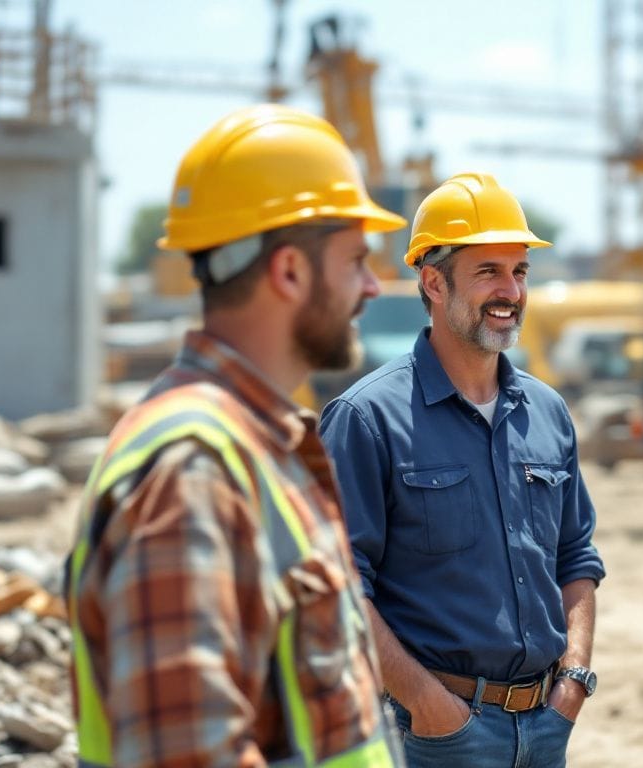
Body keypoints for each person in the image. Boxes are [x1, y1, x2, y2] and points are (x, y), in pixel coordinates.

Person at [65, 104, 409, 766]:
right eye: (356, 260)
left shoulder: (253, 446)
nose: (371, 285)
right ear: (288, 272)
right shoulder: (192, 472)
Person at [320, 172, 605, 767]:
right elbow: (340, 590)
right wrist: (428, 704)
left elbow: (575, 557)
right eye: (488, 272)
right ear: (433, 281)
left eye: (520, 271)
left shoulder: (549, 412)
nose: (511, 291)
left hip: (547, 726)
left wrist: (574, 679)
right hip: (432, 734)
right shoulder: (366, 419)